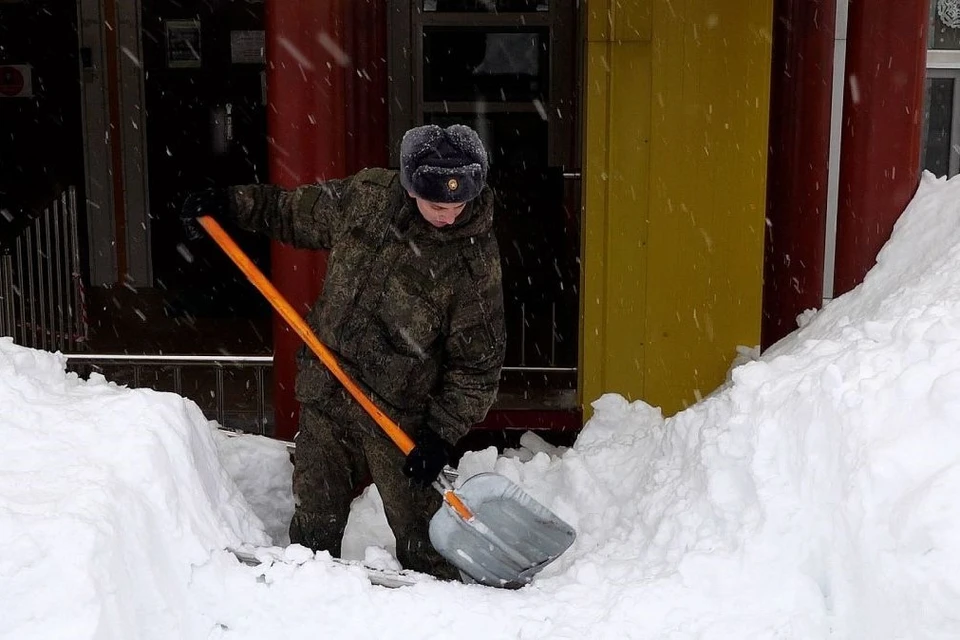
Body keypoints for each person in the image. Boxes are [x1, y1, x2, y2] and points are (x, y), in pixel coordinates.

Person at [180, 124, 506, 580]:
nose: (449, 216)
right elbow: (292, 213)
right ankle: (312, 610)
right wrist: (228, 204)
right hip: (329, 392)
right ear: (411, 188)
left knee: (426, 544)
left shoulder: (473, 263)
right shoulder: (368, 197)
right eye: (438, 205)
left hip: (398, 417)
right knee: (313, 527)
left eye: (458, 205)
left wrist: (440, 436)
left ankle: (444, 617)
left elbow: (477, 368)